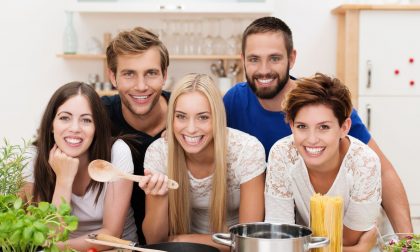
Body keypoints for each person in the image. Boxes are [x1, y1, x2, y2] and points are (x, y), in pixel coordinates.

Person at [223, 16, 412, 233]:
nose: (264, 69)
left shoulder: (322, 105)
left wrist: (408, 241)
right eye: (254, 59)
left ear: (291, 58)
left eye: (274, 58)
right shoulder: (233, 102)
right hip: (277, 225)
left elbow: (383, 172)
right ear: (242, 59)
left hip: (334, 227)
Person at [140, 73, 265, 250]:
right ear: (171, 119)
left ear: (217, 118)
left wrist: (179, 240)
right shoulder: (159, 152)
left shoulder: (247, 150)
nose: (191, 129)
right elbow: (155, 241)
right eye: (181, 116)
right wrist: (160, 197)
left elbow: (247, 242)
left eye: (203, 117)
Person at [265, 73, 381, 251]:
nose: (312, 140)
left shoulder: (365, 163)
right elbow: (280, 242)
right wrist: (359, 249)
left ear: (344, 128)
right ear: (291, 126)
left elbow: (346, 241)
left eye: (324, 127)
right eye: (302, 126)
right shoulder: (282, 154)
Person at [22, 82, 137, 251]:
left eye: (86, 120)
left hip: (115, 249)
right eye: (64, 118)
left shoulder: (116, 152)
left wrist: (57, 247)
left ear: (96, 127)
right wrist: (64, 179)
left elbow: (112, 233)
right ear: (52, 124)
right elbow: (50, 232)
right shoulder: (33, 158)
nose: (75, 128)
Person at [102, 26, 170, 244]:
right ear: (112, 77)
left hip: (174, 241)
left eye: (151, 73)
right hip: (118, 242)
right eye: (129, 74)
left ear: (165, 75)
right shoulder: (98, 117)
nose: (141, 86)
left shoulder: (187, 119)